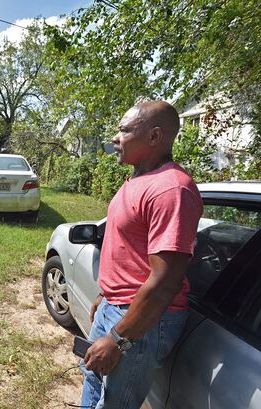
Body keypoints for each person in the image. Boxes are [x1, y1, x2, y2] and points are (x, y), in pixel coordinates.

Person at [80, 100, 203, 409]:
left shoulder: (171, 190)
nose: (115, 138)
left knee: (113, 404)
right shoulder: (137, 180)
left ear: (154, 136)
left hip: (141, 322)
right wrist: (105, 294)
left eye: (124, 130)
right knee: (93, 379)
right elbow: (127, 250)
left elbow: (165, 282)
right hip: (116, 306)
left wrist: (119, 338)